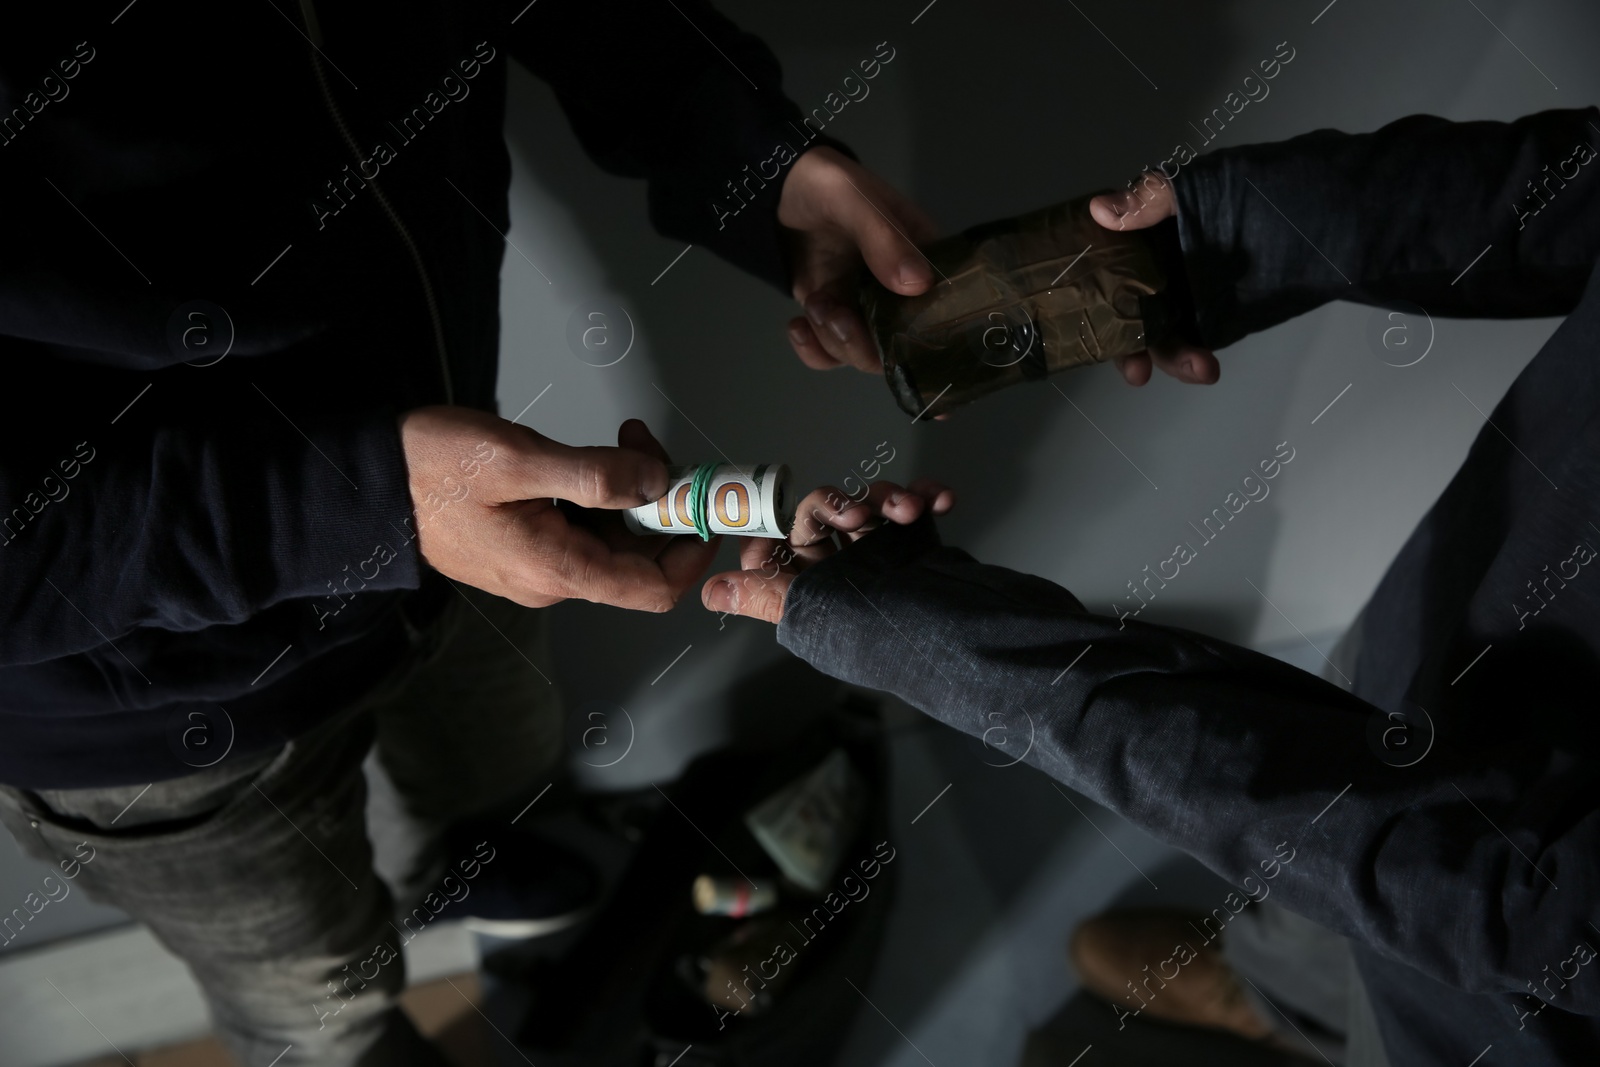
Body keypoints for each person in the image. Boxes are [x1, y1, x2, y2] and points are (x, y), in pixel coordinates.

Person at [0, 3, 934, 1064]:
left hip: (454, 525)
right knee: (321, 1009)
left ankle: (447, 869)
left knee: (490, 762)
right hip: (149, 703)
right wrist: (369, 504)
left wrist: (749, 154)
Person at [705, 105, 1600, 1066]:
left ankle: (1344, 1024)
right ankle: (1283, 984)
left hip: (1523, 982)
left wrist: (943, 647)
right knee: (1384, 705)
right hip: (1499, 596)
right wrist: (1202, 248)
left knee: (1427, 938)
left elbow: (1500, 890)